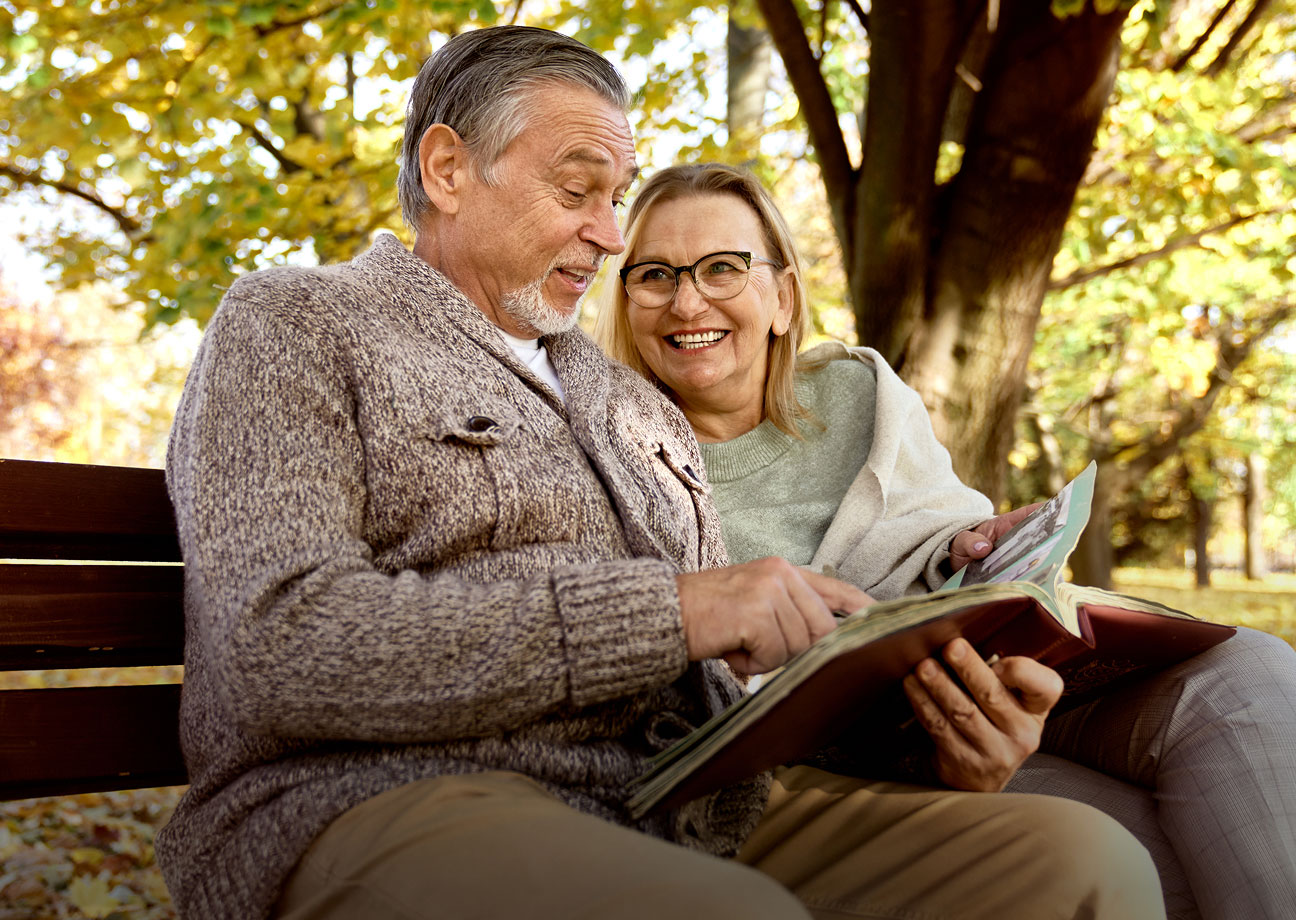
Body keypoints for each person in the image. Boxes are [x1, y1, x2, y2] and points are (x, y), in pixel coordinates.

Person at [159, 27, 1166, 920]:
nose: (607, 232)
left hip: (678, 801)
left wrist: (939, 738)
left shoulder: (632, 403)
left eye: (614, 199)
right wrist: (673, 609)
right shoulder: (298, 323)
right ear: (448, 168)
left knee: (1074, 859)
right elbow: (277, 644)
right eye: (577, 190)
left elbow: (721, 690)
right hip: (381, 798)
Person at [594, 160, 1296, 920]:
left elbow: (938, 526)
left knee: (1249, 667)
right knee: (1158, 853)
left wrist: (973, 542)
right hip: (885, 743)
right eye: (654, 274)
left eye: (722, 268)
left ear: (783, 297)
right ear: (625, 296)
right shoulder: (616, 458)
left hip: (1009, 667)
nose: (687, 299)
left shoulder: (860, 392)